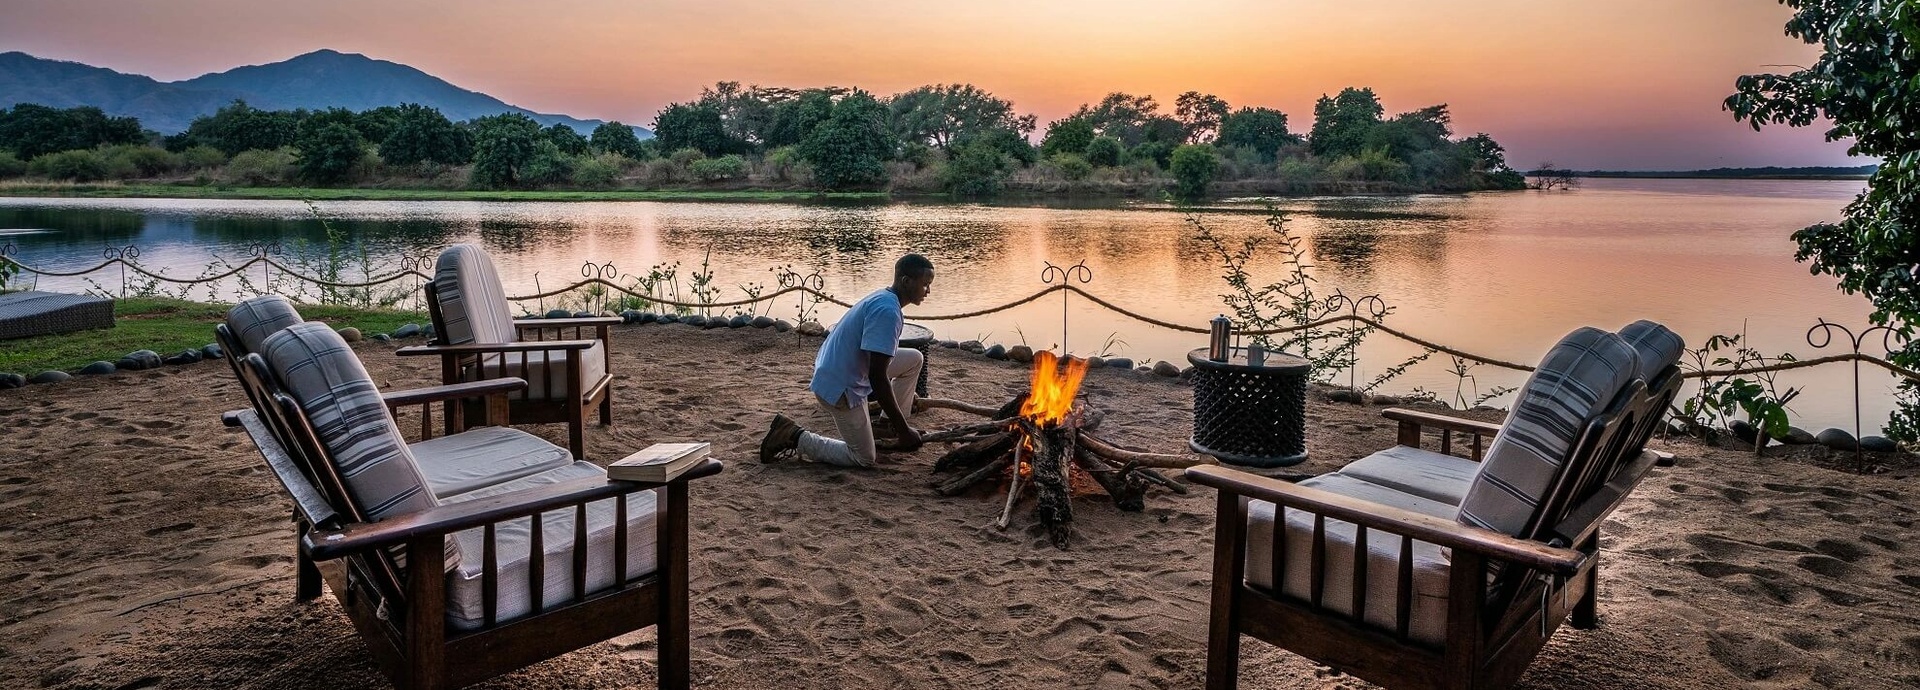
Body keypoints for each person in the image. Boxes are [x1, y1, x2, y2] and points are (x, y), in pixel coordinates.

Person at [760, 254, 934, 466]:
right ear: (907, 281)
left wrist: (897, 425)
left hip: (839, 369)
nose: (928, 291)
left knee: (914, 358)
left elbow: (876, 366)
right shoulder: (888, 311)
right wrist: (904, 430)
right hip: (840, 387)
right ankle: (794, 436)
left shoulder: (886, 298)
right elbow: (877, 377)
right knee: (863, 458)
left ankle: (886, 426)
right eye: (925, 285)